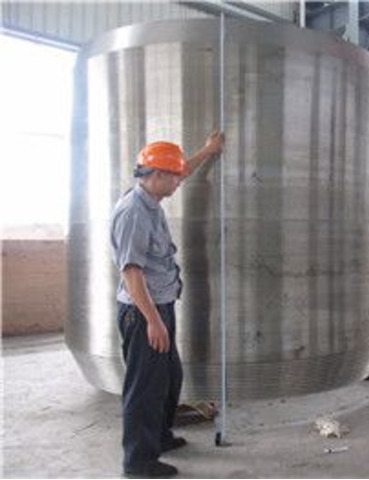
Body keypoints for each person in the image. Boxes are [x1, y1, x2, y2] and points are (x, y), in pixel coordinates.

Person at [110, 131, 225, 478]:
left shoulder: (151, 196)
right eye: (173, 177)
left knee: (169, 377)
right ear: (156, 175)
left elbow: (182, 169)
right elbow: (131, 272)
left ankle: (159, 436)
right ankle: (138, 461)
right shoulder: (134, 213)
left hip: (160, 306)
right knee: (144, 386)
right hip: (143, 312)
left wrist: (208, 150)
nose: (179, 181)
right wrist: (153, 321)